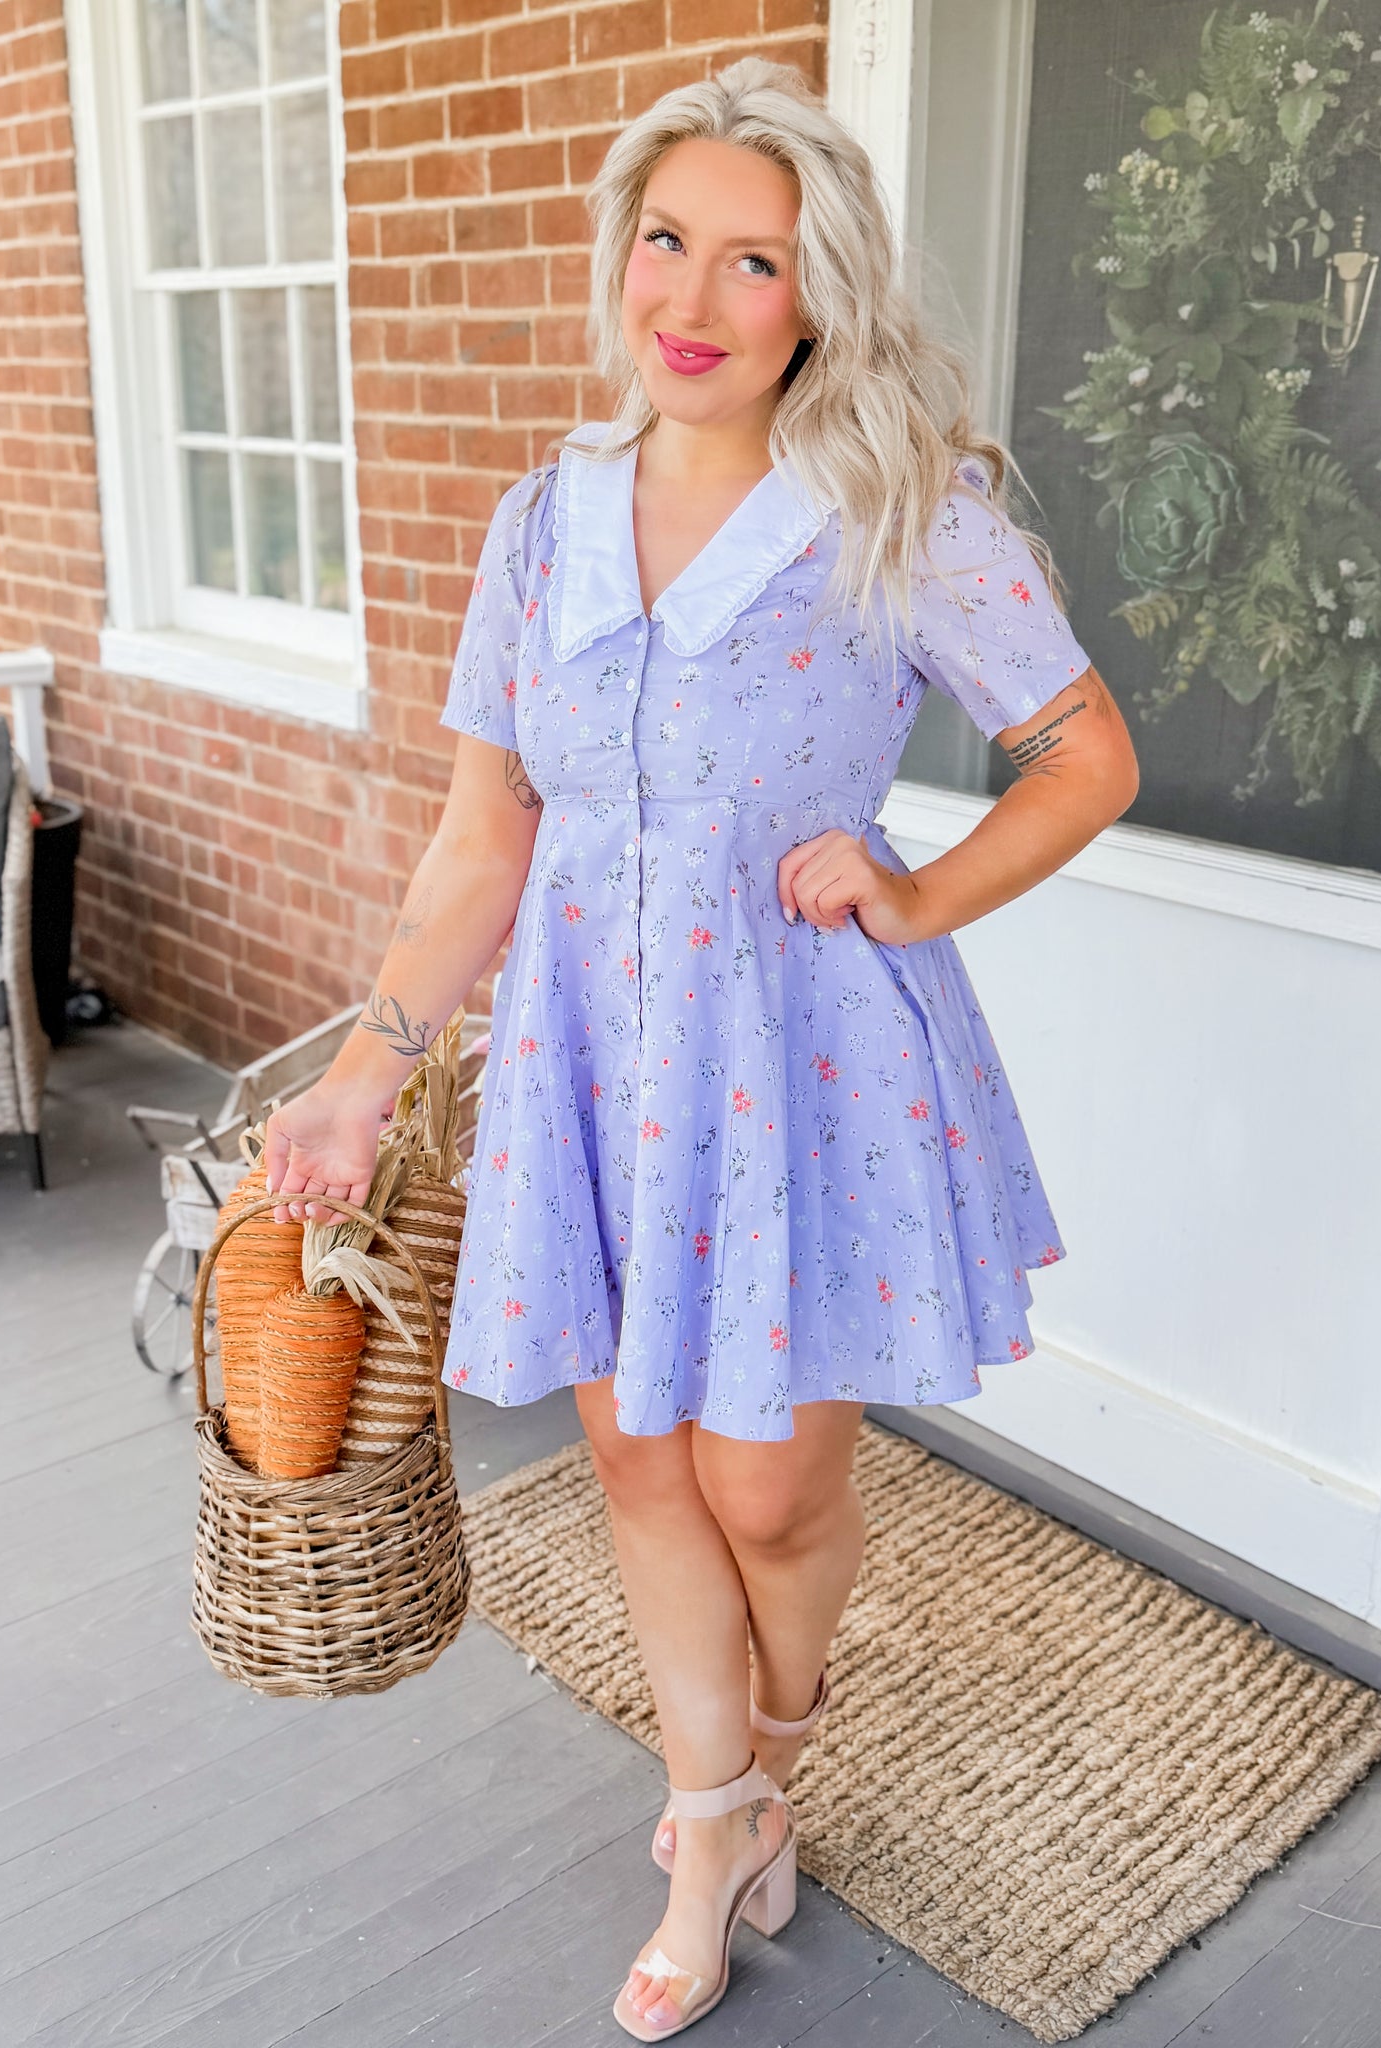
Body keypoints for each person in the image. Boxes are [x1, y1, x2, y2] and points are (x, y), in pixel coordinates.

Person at [262, 54, 1139, 2043]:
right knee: (632, 1458)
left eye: (757, 260)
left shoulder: (899, 510)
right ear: (623, 251)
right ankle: (709, 1819)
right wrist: (363, 1070)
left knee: (765, 1493)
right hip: (590, 1057)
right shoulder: (540, 523)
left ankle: (776, 1760)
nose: (696, 297)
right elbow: (483, 840)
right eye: (669, 240)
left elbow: (1087, 757)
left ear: (818, 297)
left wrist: (915, 890)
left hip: (800, 1069)